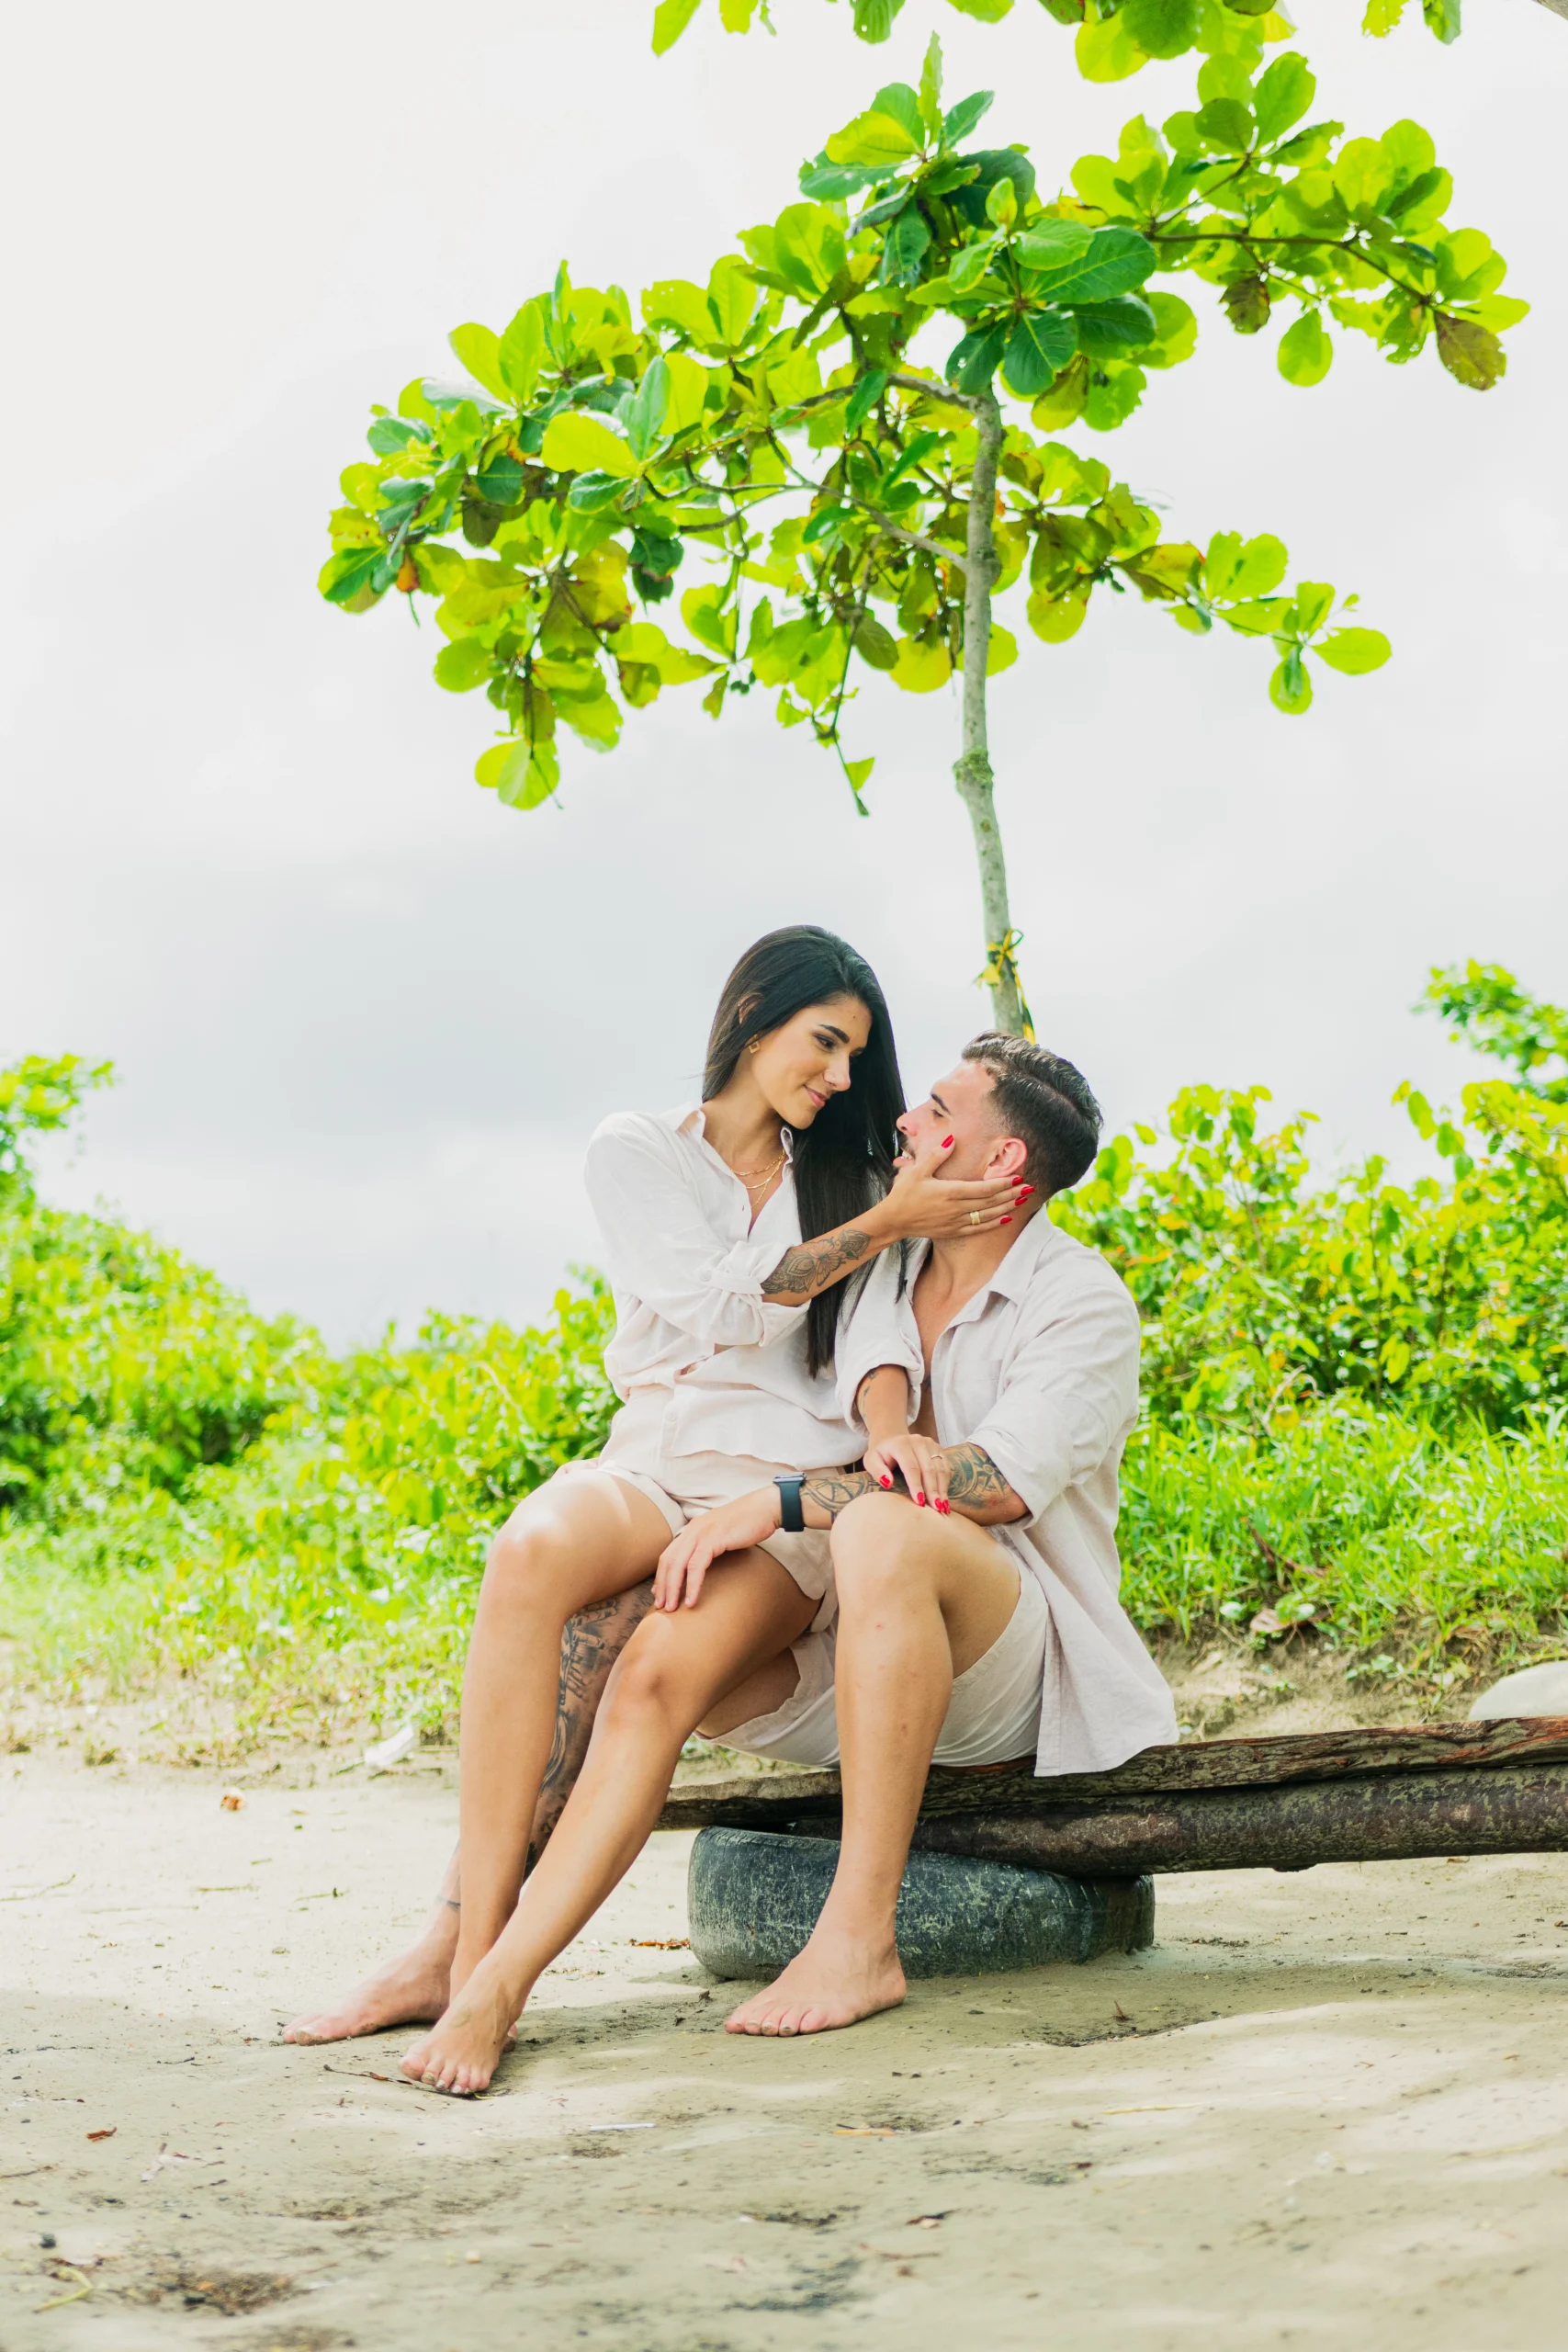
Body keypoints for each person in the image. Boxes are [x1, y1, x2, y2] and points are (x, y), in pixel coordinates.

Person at [283, 927, 1022, 2050]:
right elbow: (722, 1307)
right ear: (750, 1017)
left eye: (852, 1058)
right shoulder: (638, 1149)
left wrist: (879, 1428)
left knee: (646, 1661)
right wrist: (880, 1225)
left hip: (778, 1490)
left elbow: (882, 1343)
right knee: (528, 1554)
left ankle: (480, 1974)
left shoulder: (864, 1177)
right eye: (822, 1043)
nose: (836, 1076)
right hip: (656, 1458)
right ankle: (465, 1946)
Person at [392, 1032, 1174, 2095]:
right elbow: (743, 1307)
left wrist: (783, 1501)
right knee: (651, 1642)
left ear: (999, 1166)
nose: (903, 1118)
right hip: (864, 1645)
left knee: (882, 1524)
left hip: (1013, 1660)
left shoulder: (1080, 1300)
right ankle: (487, 1969)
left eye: (937, 1108)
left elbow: (993, 1484)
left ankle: (859, 1938)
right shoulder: (883, 1262)